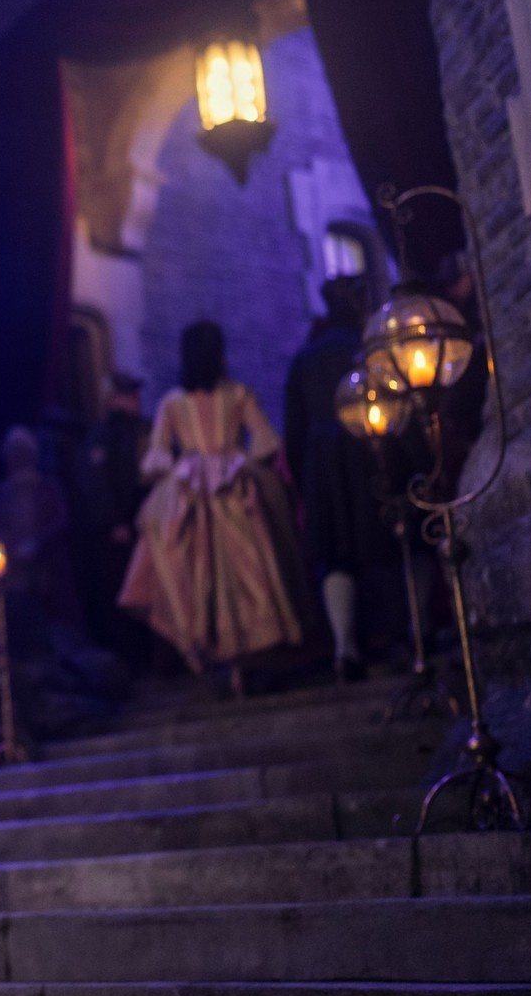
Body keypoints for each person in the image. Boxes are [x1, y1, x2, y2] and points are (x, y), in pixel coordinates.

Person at [119, 321, 304, 695]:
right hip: (232, 486)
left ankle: (224, 658)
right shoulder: (238, 394)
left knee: (198, 571)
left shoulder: (173, 402)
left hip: (190, 491)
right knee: (246, 568)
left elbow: (158, 455)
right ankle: (241, 660)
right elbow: (265, 440)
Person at [284, 277, 392, 679]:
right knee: (380, 542)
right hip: (365, 452)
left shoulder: (306, 357)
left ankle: (346, 648)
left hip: (321, 462)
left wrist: (304, 476)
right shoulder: (365, 349)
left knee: (336, 555)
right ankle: (395, 637)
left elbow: (293, 428)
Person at [76, 374, 154, 669]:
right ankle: (128, 660)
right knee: (119, 591)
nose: (136, 401)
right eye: (128, 395)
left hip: (142, 524)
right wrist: (113, 521)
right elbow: (98, 482)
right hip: (119, 529)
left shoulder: (141, 431)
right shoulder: (104, 435)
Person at [0, 425, 79, 646]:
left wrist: (37, 545)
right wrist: (13, 548)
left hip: (48, 567)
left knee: (57, 628)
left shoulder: (48, 488)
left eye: (23, 452)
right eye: (14, 453)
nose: (19, 458)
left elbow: (60, 522)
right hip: (13, 571)